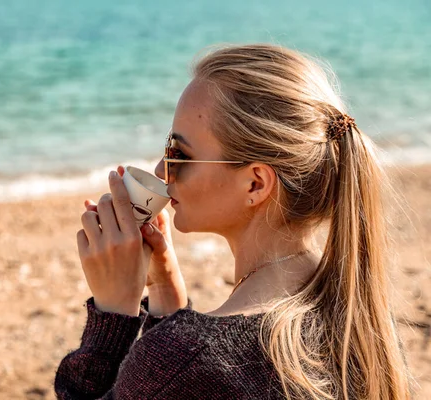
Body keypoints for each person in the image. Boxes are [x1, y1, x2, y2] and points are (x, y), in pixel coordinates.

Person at [54, 44, 412, 399]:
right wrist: (166, 297)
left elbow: (183, 377)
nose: (162, 170)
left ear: (255, 183)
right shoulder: (361, 322)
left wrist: (113, 313)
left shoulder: (194, 360)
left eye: (179, 153)